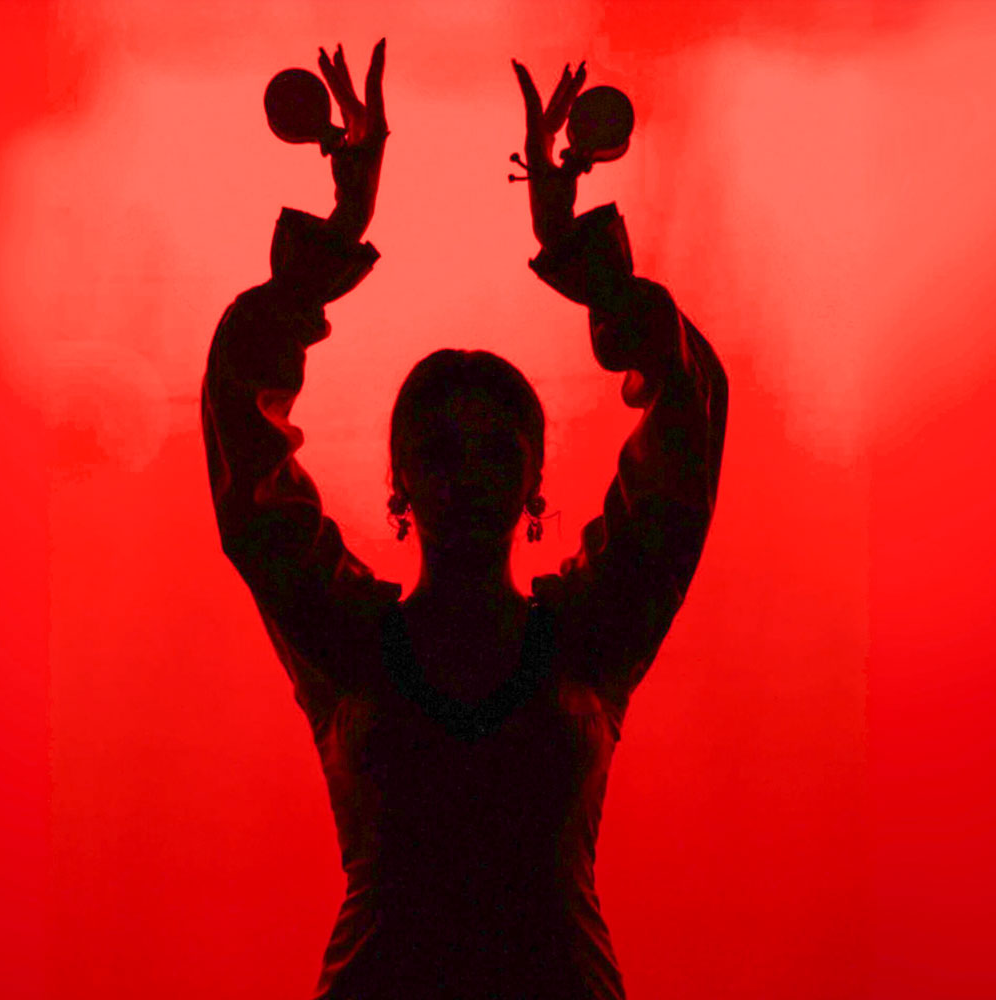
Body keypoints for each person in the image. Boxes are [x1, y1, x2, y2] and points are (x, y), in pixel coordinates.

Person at [201, 39, 728, 1000]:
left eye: (498, 452)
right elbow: (247, 467)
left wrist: (597, 272)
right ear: (398, 483)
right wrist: (329, 241)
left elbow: (685, 444)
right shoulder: (350, 644)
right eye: (439, 452)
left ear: (535, 486)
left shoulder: (585, 641)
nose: (469, 477)